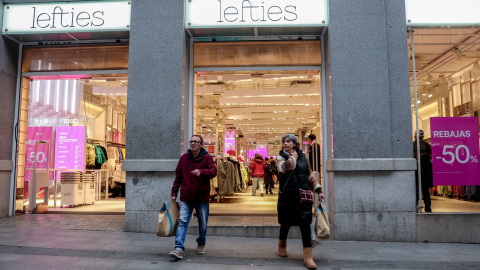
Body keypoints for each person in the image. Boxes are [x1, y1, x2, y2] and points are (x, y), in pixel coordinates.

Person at [277, 134, 325, 269]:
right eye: (283, 141)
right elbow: (288, 167)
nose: (285, 144)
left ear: (294, 143)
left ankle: (308, 257)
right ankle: (282, 246)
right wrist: (293, 157)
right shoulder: (280, 158)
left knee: (305, 225)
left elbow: (309, 176)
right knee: (285, 224)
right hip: (287, 197)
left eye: (288, 141)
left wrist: (318, 190)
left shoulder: (304, 157)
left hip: (303, 197)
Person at [169, 135, 217, 260]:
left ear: (201, 144)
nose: (193, 143)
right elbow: (178, 176)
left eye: (196, 141)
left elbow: (213, 171)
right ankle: (178, 248)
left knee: (203, 224)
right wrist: (174, 192)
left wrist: (202, 172)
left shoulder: (207, 158)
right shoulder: (184, 158)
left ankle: (201, 242)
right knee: (182, 222)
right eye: (191, 141)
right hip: (186, 197)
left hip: (201, 198)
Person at [413, 130, 433, 212]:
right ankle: (427, 207)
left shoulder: (412, 145)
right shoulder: (427, 145)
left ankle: (415, 206)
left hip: (415, 170)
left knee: (416, 188)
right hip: (425, 171)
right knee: (425, 190)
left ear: (415, 136)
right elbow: (431, 157)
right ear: (423, 137)